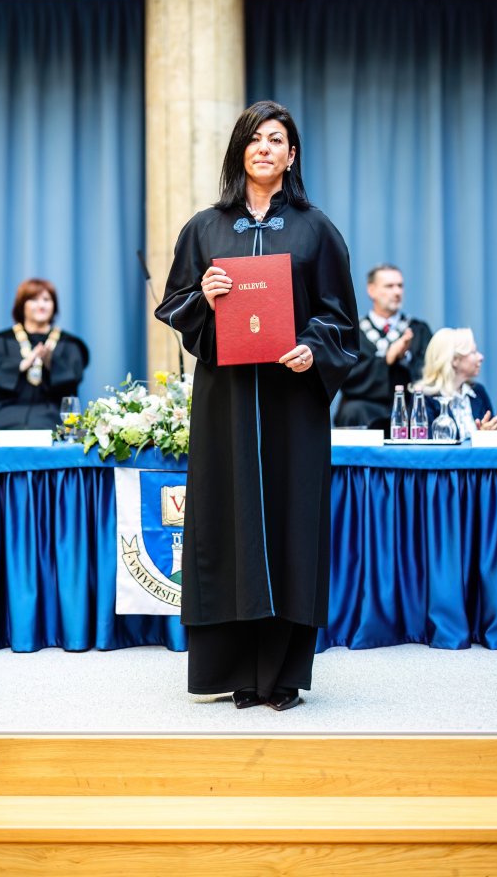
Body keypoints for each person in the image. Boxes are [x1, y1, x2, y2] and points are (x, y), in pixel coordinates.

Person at [155, 100, 359, 712]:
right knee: (226, 519)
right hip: (227, 401)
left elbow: (342, 320)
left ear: (292, 156)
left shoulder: (316, 229)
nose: (265, 148)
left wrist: (312, 347)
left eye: (277, 140)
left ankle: (282, 675)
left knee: (293, 522)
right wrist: (205, 294)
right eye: (255, 138)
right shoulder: (205, 228)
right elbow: (175, 307)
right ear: (240, 150)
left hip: (293, 401)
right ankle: (231, 671)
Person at [0, 278, 89, 431]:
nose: (41, 305)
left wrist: (50, 362)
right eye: (33, 299)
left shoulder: (69, 343)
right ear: (21, 305)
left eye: (46, 299)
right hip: (4, 411)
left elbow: (74, 377)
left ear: (54, 305)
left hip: (52, 413)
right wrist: (23, 364)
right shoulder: (1, 340)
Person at [334, 263, 432, 427]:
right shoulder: (353, 332)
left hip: (408, 406)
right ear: (371, 290)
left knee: (423, 410)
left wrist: (405, 358)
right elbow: (345, 378)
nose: (397, 292)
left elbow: (430, 373)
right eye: (389, 286)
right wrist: (387, 359)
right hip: (365, 408)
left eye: (400, 286)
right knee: (352, 410)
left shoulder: (417, 330)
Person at [415, 327, 497, 438]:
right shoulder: (423, 399)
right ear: (455, 360)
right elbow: (425, 444)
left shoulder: (478, 392)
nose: (481, 357)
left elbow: (491, 437)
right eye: (473, 352)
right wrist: (480, 437)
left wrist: (493, 434)